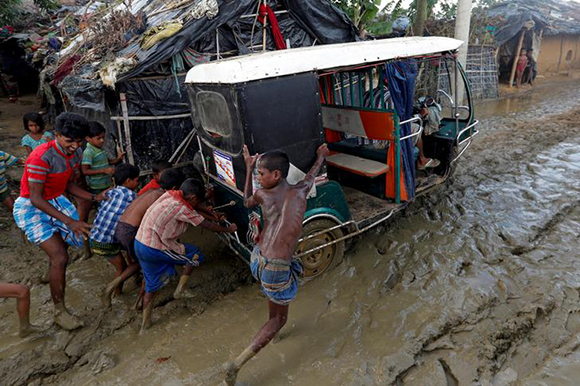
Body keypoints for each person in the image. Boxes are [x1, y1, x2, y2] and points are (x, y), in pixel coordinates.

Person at [223, 143, 329, 386]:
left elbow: (246, 201)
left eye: (261, 174)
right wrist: (321, 156)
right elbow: (312, 174)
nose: (259, 178)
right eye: (258, 174)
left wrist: (247, 169)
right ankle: (237, 364)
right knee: (278, 319)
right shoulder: (301, 191)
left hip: (258, 258)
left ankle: (276, 334)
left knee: (276, 301)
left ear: (277, 175)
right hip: (275, 267)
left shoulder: (262, 195)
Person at [13, 112, 109, 330]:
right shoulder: (40, 157)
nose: (75, 146)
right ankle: (59, 311)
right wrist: (70, 221)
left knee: (64, 244)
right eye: (69, 141)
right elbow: (36, 198)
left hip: (55, 199)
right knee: (60, 256)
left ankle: (51, 271)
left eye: (79, 141)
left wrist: (95, 197)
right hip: (32, 205)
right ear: (56, 135)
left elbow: (67, 185)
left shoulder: (74, 153)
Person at [134, 178, 237, 333]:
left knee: (151, 286)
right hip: (156, 248)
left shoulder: (170, 195)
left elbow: (196, 209)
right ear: (194, 197)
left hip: (140, 243)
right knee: (194, 254)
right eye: (198, 201)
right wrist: (229, 230)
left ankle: (145, 325)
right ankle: (180, 290)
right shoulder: (182, 208)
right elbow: (205, 224)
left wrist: (212, 214)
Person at [114, 168, 186, 309]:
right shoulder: (161, 198)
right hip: (131, 231)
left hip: (121, 228)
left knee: (138, 263)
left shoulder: (151, 191)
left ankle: (115, 288)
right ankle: (140, 302)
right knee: (148, 266)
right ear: (175, 188)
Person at [89, 163, 140, 307]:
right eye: (136, 180)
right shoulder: (132, 196)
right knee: (122, 267)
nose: (138, 183)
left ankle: (118, 291)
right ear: (128, 181)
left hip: (95, 238)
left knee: (126, 256)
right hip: (106, 242)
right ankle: (114, 292)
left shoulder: (111, 192)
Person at [77, 122, 125, 223]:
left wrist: (117, 159)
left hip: (106, 183)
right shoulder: (88, 152)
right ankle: (101, 225)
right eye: (98, 138)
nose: (102, 140)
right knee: (102, 208)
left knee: (107, 205)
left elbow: (107, 162)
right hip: (97, 187)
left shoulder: (99, 149)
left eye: (103, 137)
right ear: (88, 138)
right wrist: (103, 170)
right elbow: (85, 171)